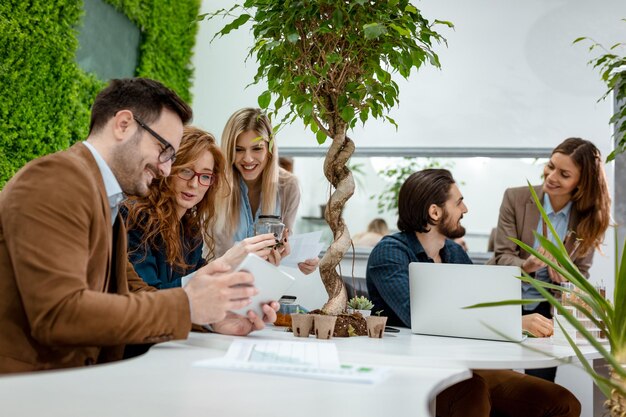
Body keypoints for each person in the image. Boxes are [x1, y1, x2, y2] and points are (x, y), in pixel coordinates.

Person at [0, 78, 274, 374]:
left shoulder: (108, 200)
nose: (166, 169)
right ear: (123, 125)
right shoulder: (56, 180)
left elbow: (135, 294)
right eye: (164, 149)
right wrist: (188, 305)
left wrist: (214, 318)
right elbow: (59, 315)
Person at [366, 169, 580, 417]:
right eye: (458, 202)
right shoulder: (391, 253)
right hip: (417, 369)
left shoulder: (454, 254)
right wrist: (514, 321)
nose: (465, 209)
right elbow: (419, 316)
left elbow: (482, 306)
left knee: (563, 402)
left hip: (467, 364)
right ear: (435, 212)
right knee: (472, 393)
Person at [123, 126, 281, 335]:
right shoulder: (134, 218)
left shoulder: (190, 230)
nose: (194, 184)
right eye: (186, 171)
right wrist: (224, 264)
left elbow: (194, 299)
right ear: (167, 168)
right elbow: (148, 299)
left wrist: (221, 318)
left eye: (205, 176)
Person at [489, 137, 611, 382]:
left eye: (564, 174)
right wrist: (528, 265)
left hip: (548, 309)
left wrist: (567, 275)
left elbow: (581, 274)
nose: (551, 176)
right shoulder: (515, 198)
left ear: (581, 183)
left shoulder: (590, 218)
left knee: (539, 385)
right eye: (550, 165)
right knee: (499, 382)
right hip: (505, 301)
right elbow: (502, 256)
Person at [215, 107, 318, 274]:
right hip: (219, 285)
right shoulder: (215, 185)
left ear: (269, 150)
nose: (247, 159)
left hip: (263, 285)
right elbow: (206, 254)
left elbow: (285, 242)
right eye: (238, 149)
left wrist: (304, 260)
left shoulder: (288, 187)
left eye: (257, 149)